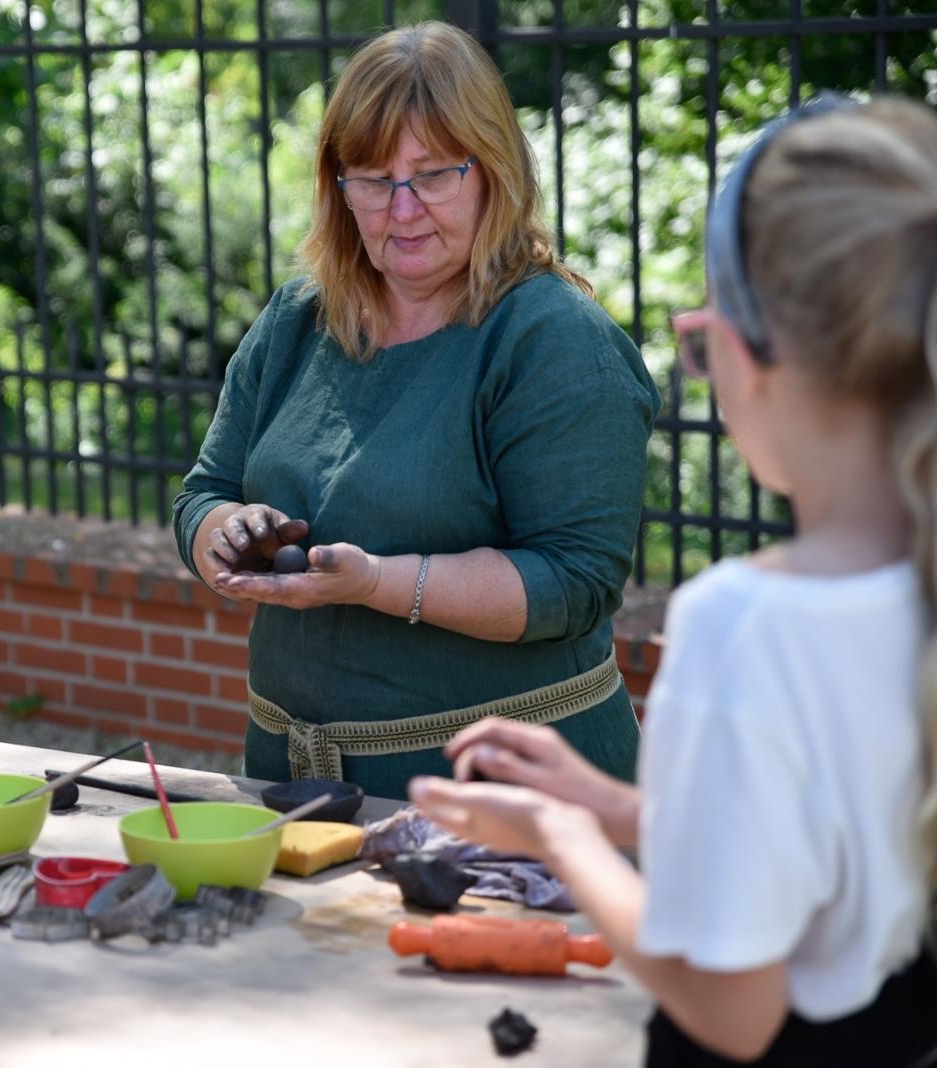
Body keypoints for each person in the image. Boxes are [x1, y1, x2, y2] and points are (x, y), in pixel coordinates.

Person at [410, 95, 937, 1066]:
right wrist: (618, 810)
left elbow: (731, 1008)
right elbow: (834, 844)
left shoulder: (747, 623)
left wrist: (565, 842)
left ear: (744, 355)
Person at [172, 22, 658, 798]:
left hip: (499, 802)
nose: (401, 210)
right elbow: (203, 492)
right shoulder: (299, 319)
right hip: (292, 781)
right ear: (338, 186)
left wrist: (372, 581)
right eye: (371, 177)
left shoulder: (555, 341)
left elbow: (571, 581)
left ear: (492, 171)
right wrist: (221, 535)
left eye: (433, 176)